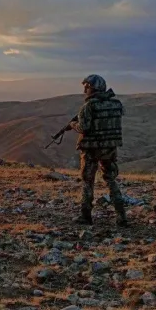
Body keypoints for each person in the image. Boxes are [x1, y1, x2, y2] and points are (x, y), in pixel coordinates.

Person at [67, 74, 128, 227]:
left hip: (91, 149)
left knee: (88, 181)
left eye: (86, 86)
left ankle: (85, 216)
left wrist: (73, 124)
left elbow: (84, 128)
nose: (84, 90)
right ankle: (121, 216)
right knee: (111, 180)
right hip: (109, 147)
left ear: (92, 88)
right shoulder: (116, 103)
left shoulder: (88, 106)